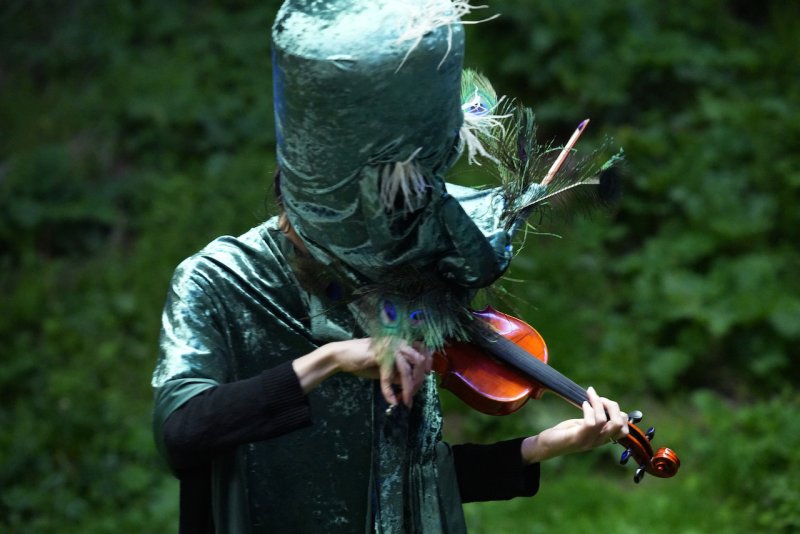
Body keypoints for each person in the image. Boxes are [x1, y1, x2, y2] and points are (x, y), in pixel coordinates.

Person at [152, 1, 628, 532]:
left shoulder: (410, 281)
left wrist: (543, 446)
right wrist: (328, 360)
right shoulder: (219, 280)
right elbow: (182, 434)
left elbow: (407, 485)